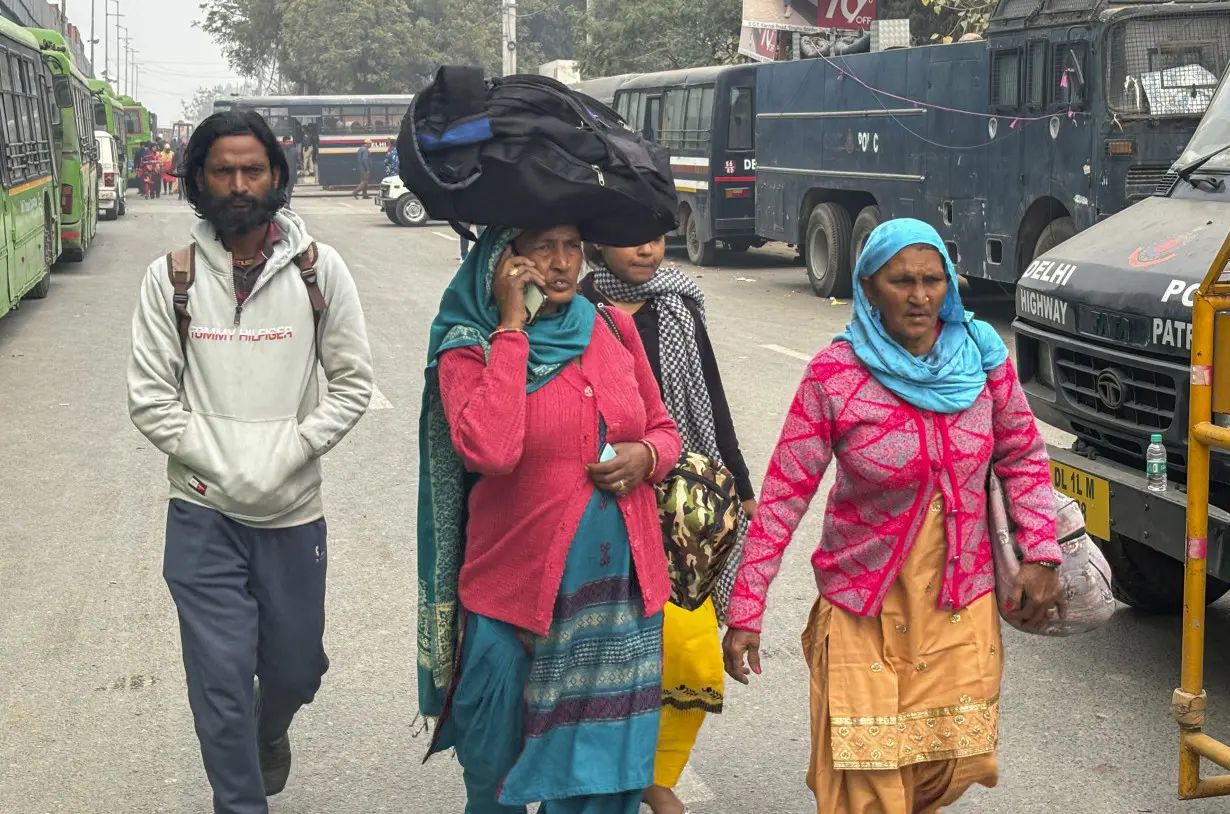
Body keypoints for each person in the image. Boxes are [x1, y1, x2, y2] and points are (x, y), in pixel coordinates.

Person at [723, 218, 1063, 814]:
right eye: (900, 280)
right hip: (864, 603)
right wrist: (746, 608)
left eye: (933, 279)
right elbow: (782, 496)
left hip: (959, 598)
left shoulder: (983, 359)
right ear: (868, 286)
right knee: (869, 775)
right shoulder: (835, 374)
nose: (920, 295)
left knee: (950, 761)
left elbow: (1023, 456)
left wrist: (1041, 551)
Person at [126, 110, 374, 814]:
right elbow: (151, 402)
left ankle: (273, 731)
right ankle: (240, 802)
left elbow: (353, 384)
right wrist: (225, 469)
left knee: (295, 671)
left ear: (276, 175)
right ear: (198, 178)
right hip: (202, 512)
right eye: (223, 171)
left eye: (252, 170)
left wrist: (288, 452)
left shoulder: (320, 271)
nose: (239, 184)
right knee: (222, 679)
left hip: (293, 511)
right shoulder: (168, 279)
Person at [418, 224, 683, 813]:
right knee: (497, 781)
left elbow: (664, 428)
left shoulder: (612, 326)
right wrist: (513, 329)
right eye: (541, 247)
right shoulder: (471, 346)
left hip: (616, 606)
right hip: (511, 605)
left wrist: (648, 457)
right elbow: (491, 450)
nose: (562, 263)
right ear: (500, 260)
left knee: (603, 783)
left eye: (572, 245)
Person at [580, 238, 755, 814]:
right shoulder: (574, 303)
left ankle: (656, 773)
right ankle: (610, 772)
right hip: (599, 498)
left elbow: (711, 399)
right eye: (631, 235)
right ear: (598, 240)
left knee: (687, 651)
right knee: (609, 647)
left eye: (656, 234)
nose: (649, 248)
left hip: (680, 507)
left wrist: (741, 486)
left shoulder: (678, 306)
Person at [281, 136, 299, 208]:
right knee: (285, 190)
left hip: (292, 174)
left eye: (289, 142)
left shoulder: (295, 151)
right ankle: (286, 204)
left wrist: (299, 169)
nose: (288, 143)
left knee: (290, 190)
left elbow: (299, 161)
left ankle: (288, 204)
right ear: (283, 143)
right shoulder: (280, 151)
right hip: (283, 175)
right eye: (287, 142)